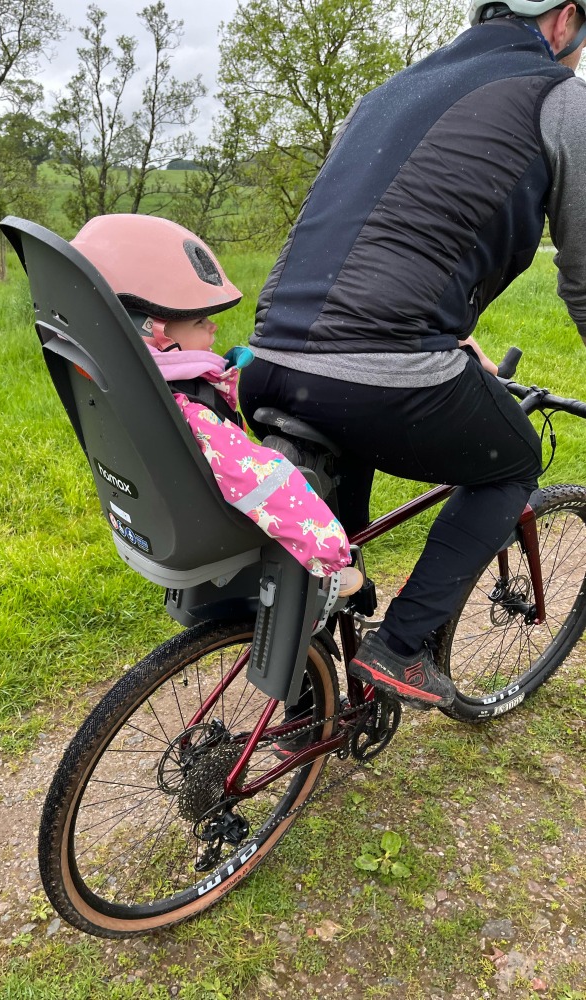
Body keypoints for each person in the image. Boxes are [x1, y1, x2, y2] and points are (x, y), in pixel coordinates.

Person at [238, 0, 586, 709]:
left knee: (337, 549)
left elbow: (380, 234)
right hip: (379, 375)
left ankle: (312, 705)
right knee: (515, 458)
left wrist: (448, 328)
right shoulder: (559, 99)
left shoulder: (392, 90)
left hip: (267, 358)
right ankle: (400, 650)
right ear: (566, 18)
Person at [70, 213, 363, 597]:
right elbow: (262, 480)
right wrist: (332, 560)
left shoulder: (136, 390)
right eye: (199, 322)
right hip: (216, 526)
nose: (214, 328)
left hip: (152, 519)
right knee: (294, 474)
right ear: (157, 335)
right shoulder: (192, 409)